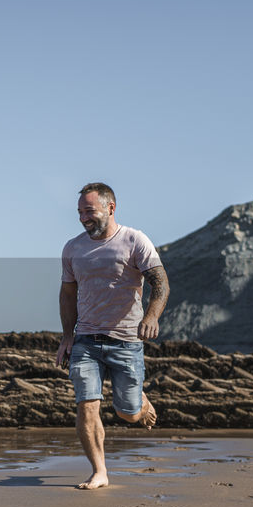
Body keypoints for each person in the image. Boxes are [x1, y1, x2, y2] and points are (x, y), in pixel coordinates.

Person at [56, 183, 170, 490]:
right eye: (80, 212)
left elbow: (160, 283)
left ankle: (138, 404)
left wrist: (151, 317)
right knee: (86, 405)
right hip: (86, 341)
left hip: (126, 343)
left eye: (89, 211)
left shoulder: (135, 240)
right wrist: (68, 337)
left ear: (110, 207)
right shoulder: (73, 248)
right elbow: (68, 293)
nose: (83, 218)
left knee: (127, 412)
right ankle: (100, 471)